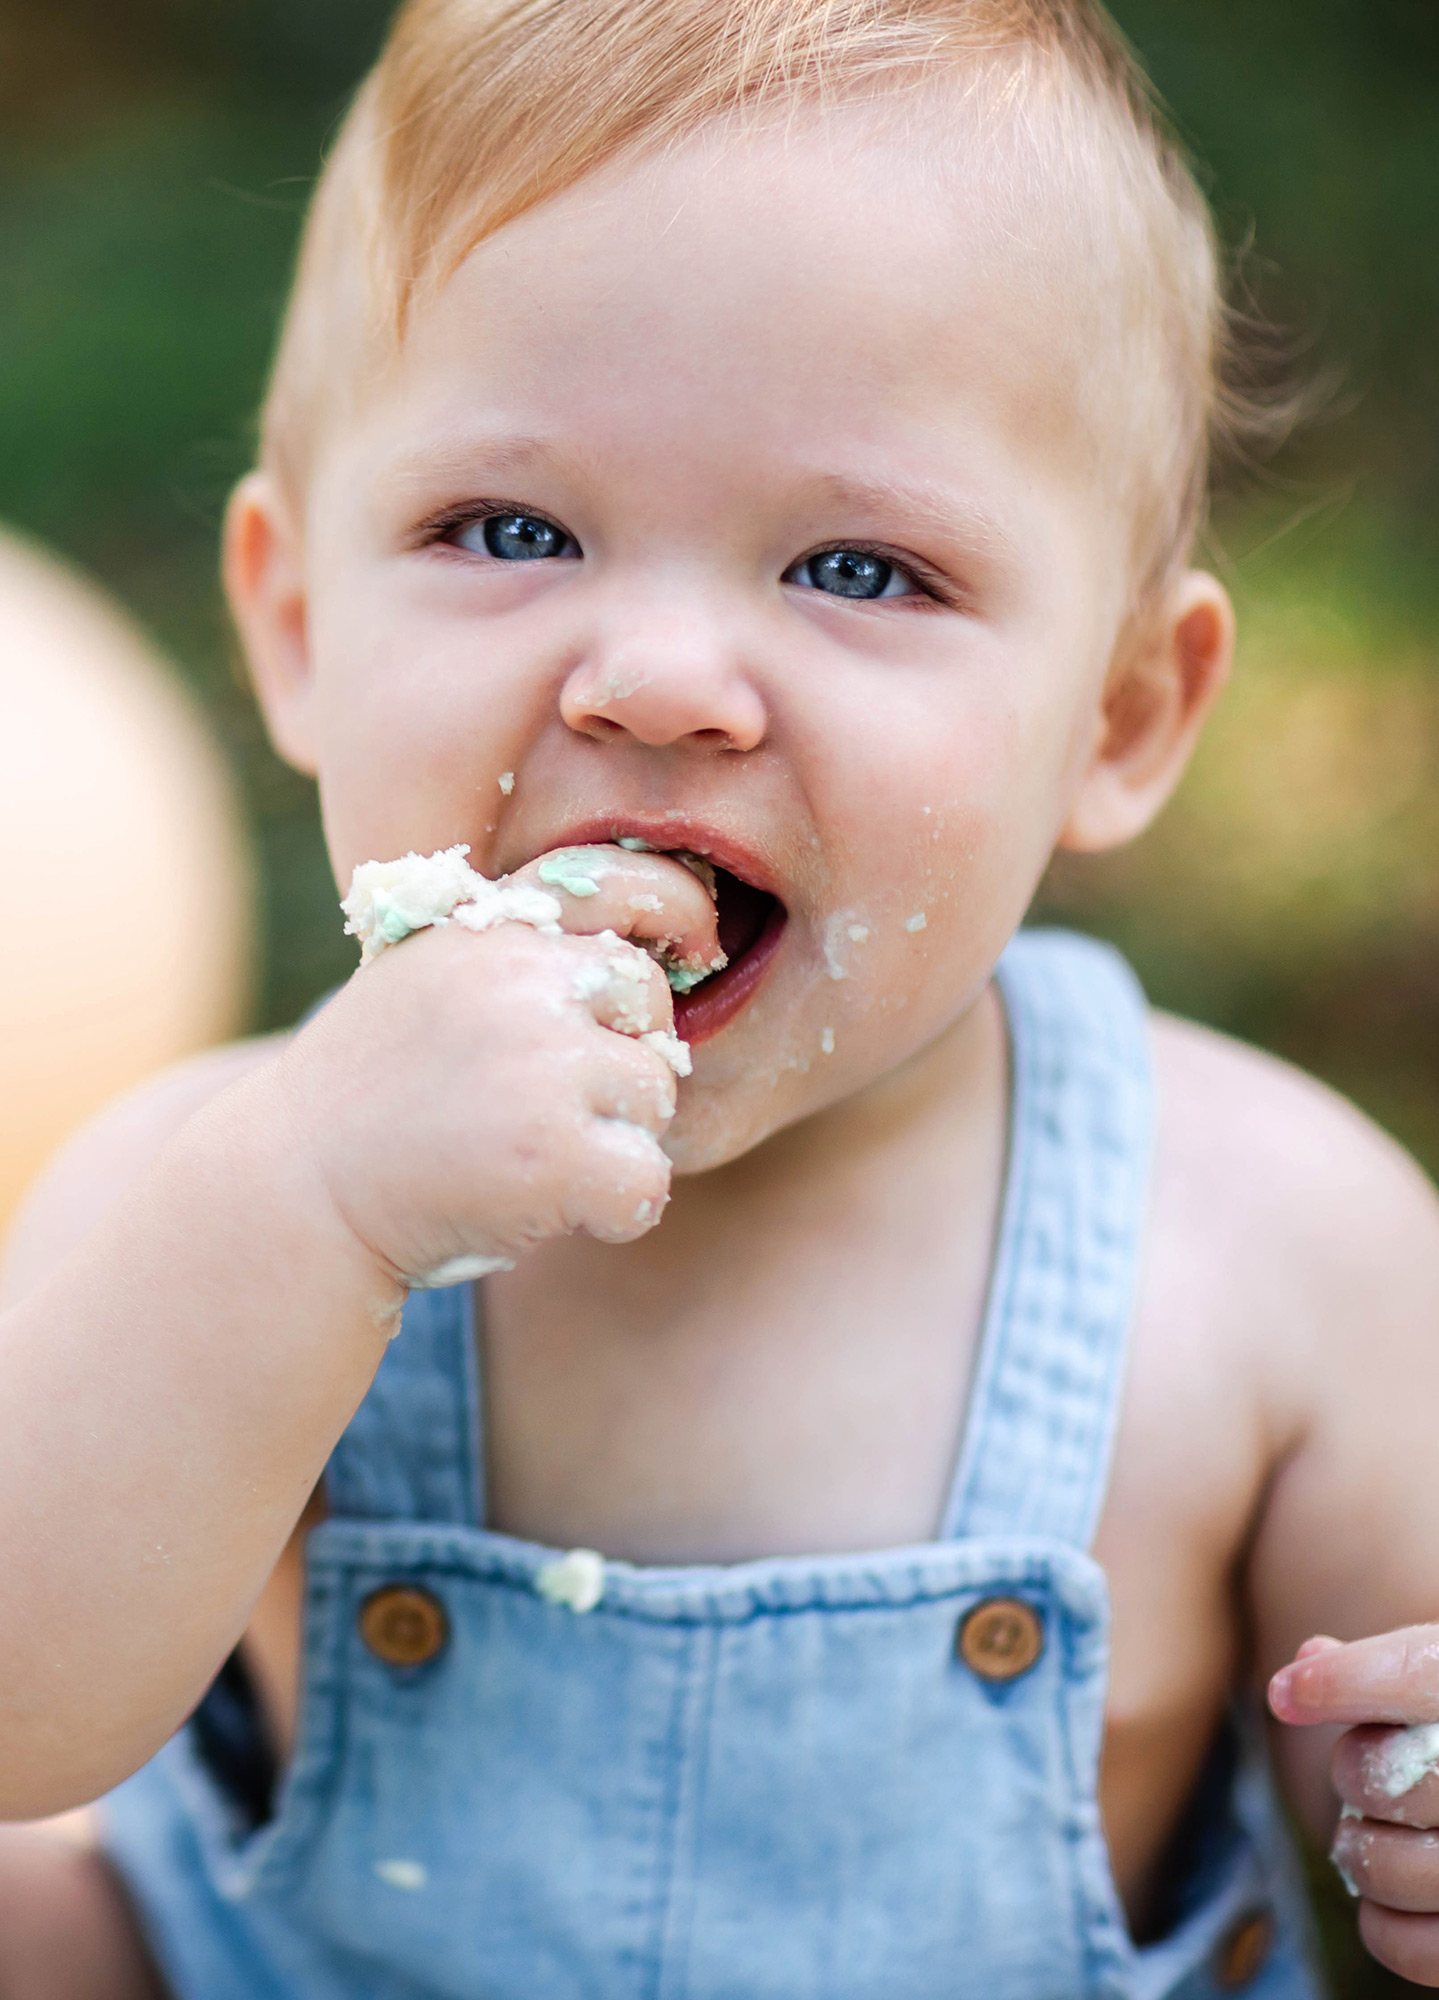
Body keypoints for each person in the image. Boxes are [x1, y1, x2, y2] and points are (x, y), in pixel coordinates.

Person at [2, 0, 1438, 1993]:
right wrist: (314, 1212)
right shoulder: (207, 1191)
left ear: (1118, 714)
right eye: (512, 531)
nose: (662, 681)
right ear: (302, 625)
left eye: (858, 569)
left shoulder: (1276, 1247)